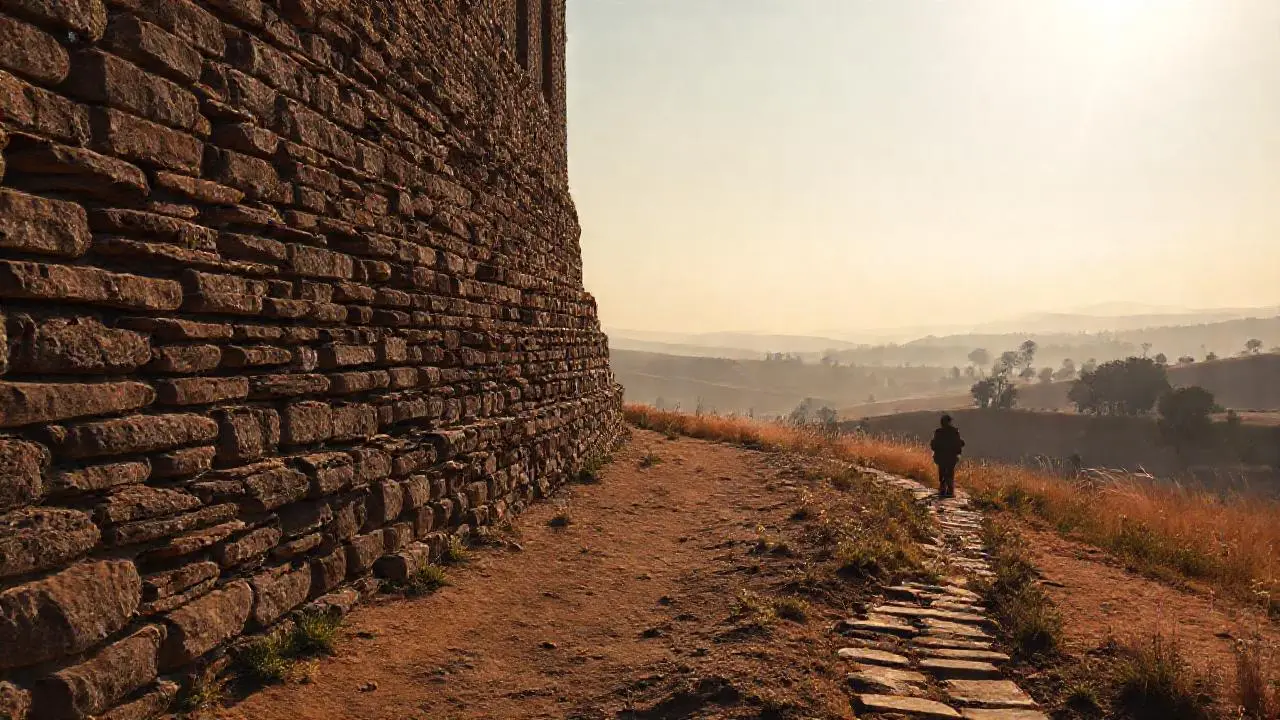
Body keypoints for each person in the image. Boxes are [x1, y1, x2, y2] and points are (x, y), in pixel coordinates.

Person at [929, 414, 965, 498]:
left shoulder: (938, 432)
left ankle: (943, 489)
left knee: (942, 472)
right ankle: (950, 489)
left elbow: (934, 445)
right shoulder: (954, 431)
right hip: (951, 456)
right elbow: (959, 443)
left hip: (941, 456)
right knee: (950, 472)